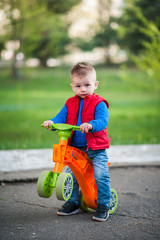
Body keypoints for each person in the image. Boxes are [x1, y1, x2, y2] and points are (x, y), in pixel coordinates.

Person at [43, 62, 111, 222]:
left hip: (96, 148)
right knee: (72, 174)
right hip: (76, 148)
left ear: (95, 85)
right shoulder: (70, 103)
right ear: (72, 86)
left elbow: (103, 121)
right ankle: (73, 202)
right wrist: (51, 123)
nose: (83, 89)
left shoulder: (99, 103)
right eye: (78, 85)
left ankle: (103, 204)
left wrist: (91, 125)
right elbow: (60, 118)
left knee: (100, 175)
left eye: (87, 85)